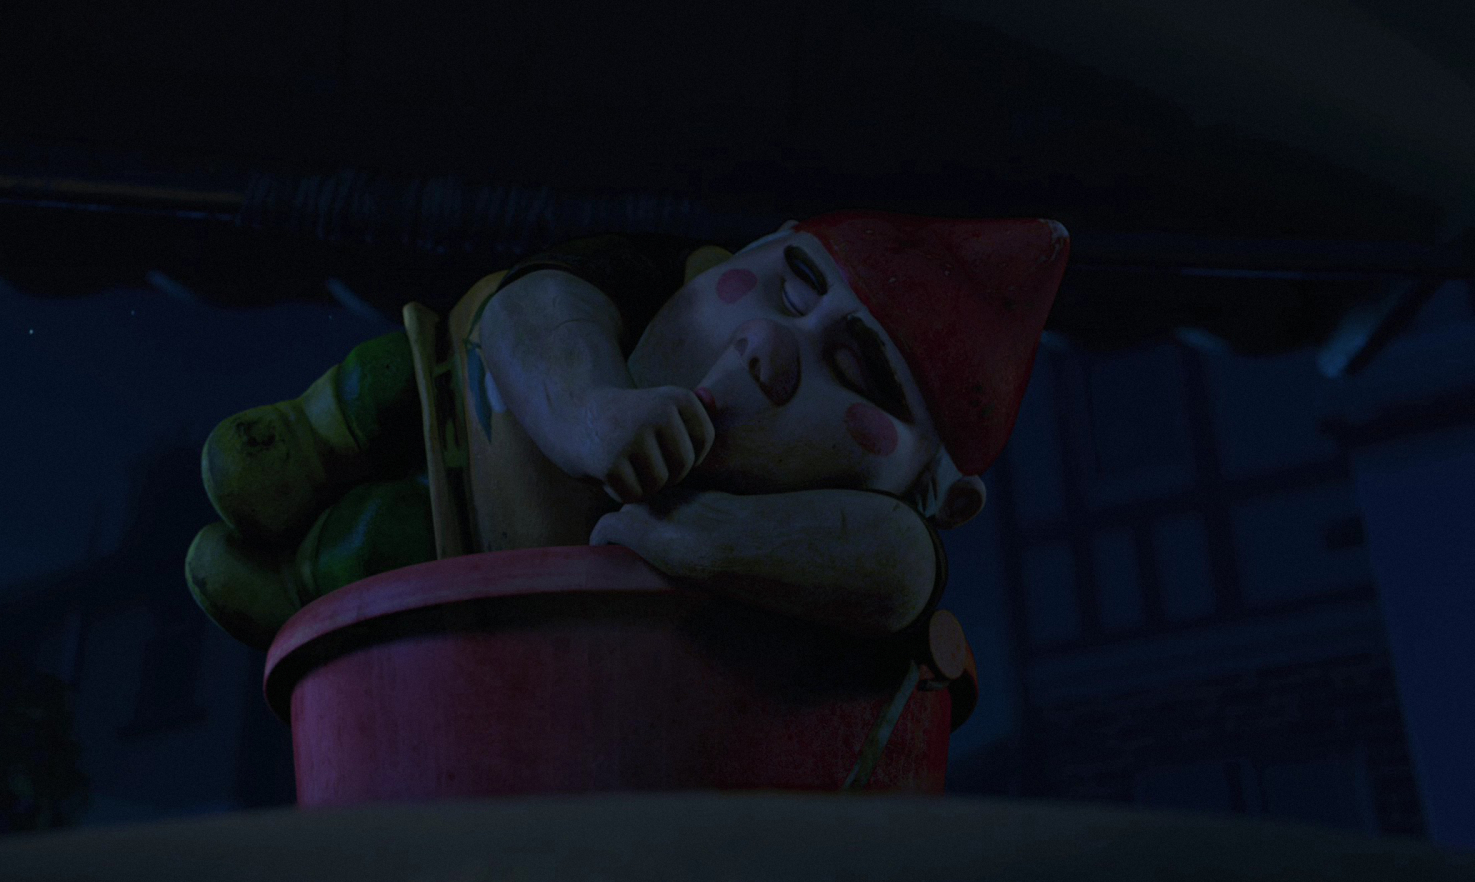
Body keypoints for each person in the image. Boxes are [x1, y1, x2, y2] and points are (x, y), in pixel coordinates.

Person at [185, 210, 1069, 652]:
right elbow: (535, 303)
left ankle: (302, 580)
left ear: (939, 492)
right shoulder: (644, 278)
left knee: (372, 552)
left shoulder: (876, 556)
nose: (772, 346)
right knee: (379, 390)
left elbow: (897, 568)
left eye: (858, 371)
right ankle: (306, 443)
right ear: (736, 258)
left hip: (491, 624)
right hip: (464, 425)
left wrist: (700, 536)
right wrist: (590, 410)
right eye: (790, 287)